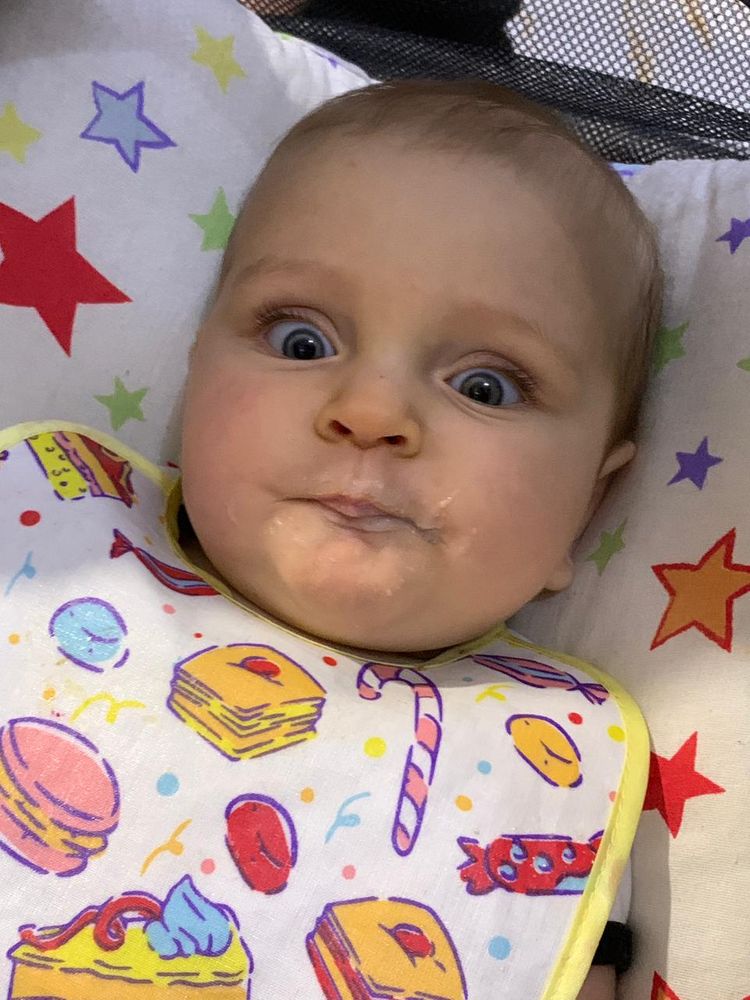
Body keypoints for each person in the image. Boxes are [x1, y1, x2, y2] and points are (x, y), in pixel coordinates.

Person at [0, 79, 661, 1000]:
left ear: (588, 506)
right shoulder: (51, 534)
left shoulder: (539, 772)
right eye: (302, 341)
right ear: (195, 371)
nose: (371, 411)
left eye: (486, 387)